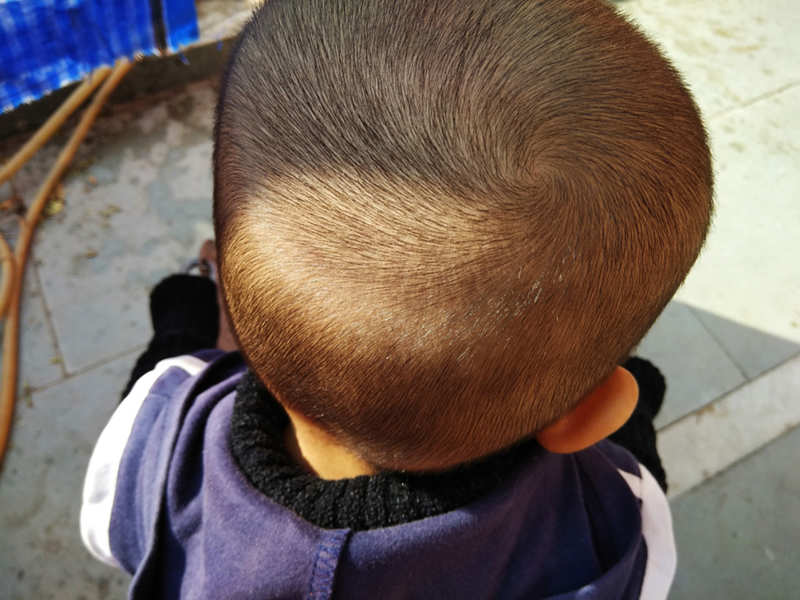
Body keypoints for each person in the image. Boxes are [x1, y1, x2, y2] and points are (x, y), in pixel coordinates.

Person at [80, 0, 713, 597]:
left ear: (238, 321)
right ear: (585, 418)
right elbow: (643, 534)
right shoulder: (612, 534)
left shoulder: (153, 443)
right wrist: (632, 419)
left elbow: (112, 524)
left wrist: (184, 312)